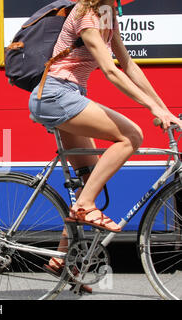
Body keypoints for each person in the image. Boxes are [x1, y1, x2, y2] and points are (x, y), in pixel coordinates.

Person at [28, 0, 182, 291]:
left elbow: (128, 64)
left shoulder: (108, 14)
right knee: (132, 137)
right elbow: (111, 71)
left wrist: (164, 109)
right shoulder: (86, 15)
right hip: (55, 94)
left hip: (68, 93)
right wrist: (152, 109)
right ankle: (84, 206)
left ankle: (62, 259)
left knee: (91, 180)